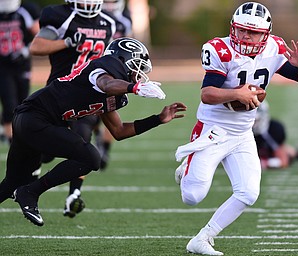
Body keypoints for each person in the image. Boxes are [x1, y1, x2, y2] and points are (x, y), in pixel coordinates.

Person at [174, 2, 298, 255]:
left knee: (249, 193)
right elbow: (207, 94)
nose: (245, 36)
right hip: (213, 131)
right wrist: (235, 93)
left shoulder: (274, 48)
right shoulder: (220, 49)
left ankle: (203, 238)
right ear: (233, 28)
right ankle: (187, 167)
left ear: (266, 34)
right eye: (240, 30)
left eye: (252, 32)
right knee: (192, 196)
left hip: (242, 133)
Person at [0, 37, 187, 227]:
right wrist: (134, 88)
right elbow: (106, 84)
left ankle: (26, 190)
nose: (138, 74)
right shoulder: (103, 69)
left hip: (29, 121)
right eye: (137, 66)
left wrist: (158, 119)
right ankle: (31, 192)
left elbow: (119, 131)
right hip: (36, 118)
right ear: (122, 60)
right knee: (90, 157)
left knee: (13, 182)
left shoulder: (114, 92)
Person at [29, 0, 118, 218]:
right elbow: (36, 47)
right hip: (58, 94)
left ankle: (73, 196)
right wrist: (67, 42)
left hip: (87, 94)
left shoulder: (108, 23)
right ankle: (30, 173)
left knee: (83, 143)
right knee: (48, 152)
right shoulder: (58, 15)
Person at [94, 0, 133, 170]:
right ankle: (98, 136)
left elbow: (130, 47)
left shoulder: (123, 21)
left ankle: (105, 149)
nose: (109, 5)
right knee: (92, 113)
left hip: (116, 72)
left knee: (111, 109)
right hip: (96, 71)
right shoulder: (97, 19)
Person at [0, 0, 40, 143]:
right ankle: (13, 142)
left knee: (22, 104)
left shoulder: (25, 10)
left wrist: (26, 49)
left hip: (22, 65)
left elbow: (40, 35)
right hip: (3, 66)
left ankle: (19, 135)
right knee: (9, 103)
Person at [253, 100, 298, 170]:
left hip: (268, 153)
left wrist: (264, 163)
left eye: (256, 120)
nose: (254, 124)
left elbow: (283, 162)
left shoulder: (273, 129)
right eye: (253, 121)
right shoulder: (244, 128)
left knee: (285, 151)